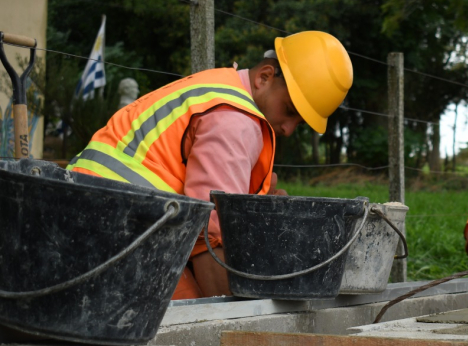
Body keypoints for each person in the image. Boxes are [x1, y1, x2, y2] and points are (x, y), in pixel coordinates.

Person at [67, 31, 353, 299]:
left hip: (79, 211)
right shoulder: (234, 120)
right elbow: (210, 237)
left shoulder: (219, 88)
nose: (289, 129)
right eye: (290, 111)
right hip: (114, 228)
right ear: (265, 77)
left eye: (299, 123)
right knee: (193, 316)